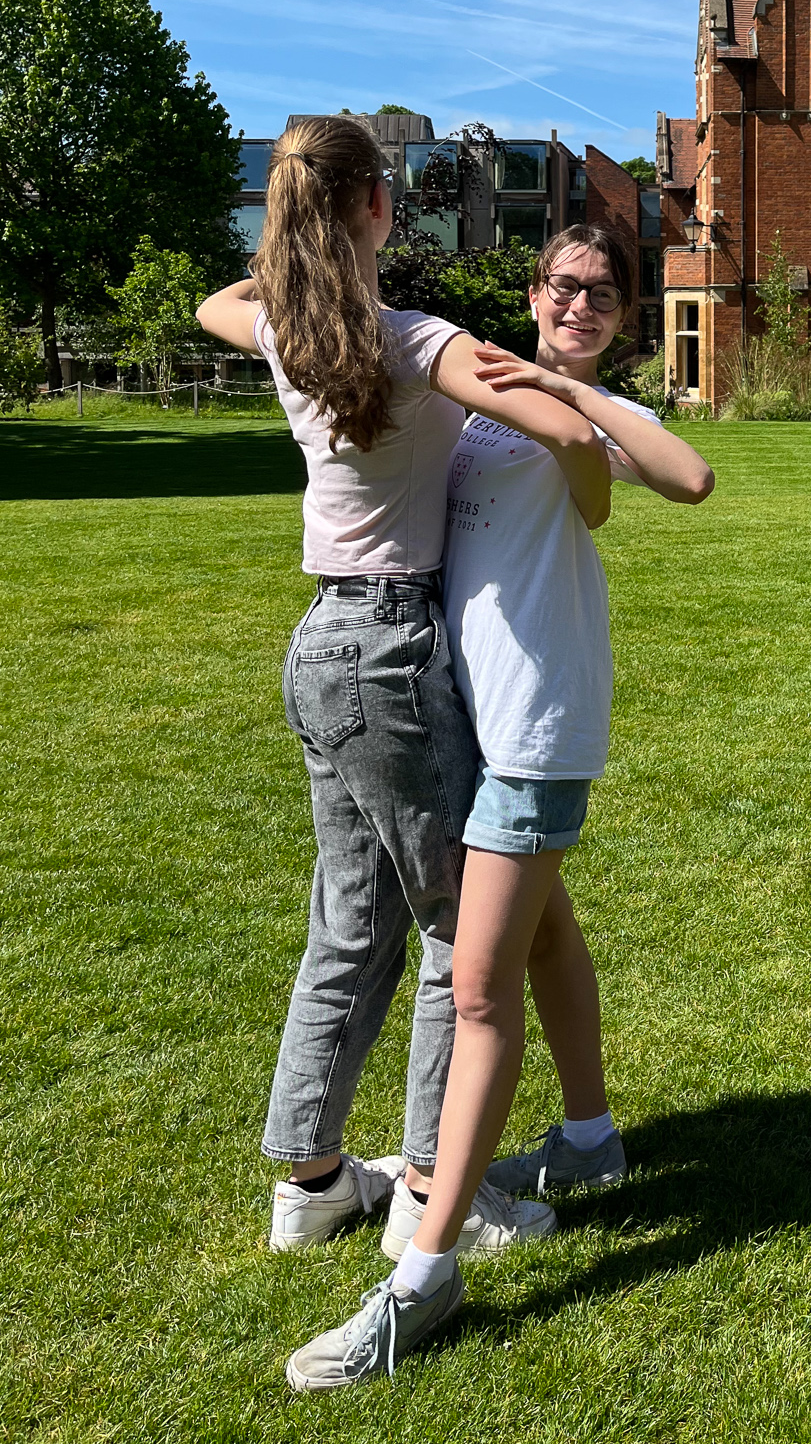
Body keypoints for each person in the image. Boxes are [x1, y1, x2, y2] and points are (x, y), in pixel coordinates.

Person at [285, 223, 714, 1392]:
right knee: (547, 935)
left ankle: (424, 1271)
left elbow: (681, 478)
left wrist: (572, 393)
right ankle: (588, 1142)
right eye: (565, 284)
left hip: (536, 726)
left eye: (605, 294)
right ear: (534, 288)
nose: (581, 300)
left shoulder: (575, 418)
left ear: (623, 316)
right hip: (454, 721)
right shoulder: (468, 399)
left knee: (474, 987)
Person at [196, 118, 611, 1262]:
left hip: (320, 643)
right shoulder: (417, 337)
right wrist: (553, 388)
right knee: (451, 931)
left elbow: (211, 305)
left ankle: (313, 1179)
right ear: (379, 205)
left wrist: (295, 240)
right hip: (389, 647)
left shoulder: (281, 323)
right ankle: (441, 1191)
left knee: (348, 921)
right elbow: (558, 415)